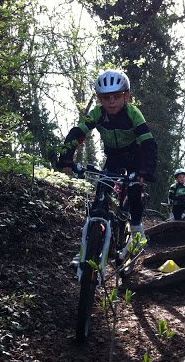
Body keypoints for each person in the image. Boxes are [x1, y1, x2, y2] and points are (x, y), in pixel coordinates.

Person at [58, 68, 157, 244]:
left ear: (126, 96)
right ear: (99, 98)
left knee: (134, 193)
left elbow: (148, 144)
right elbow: (77, 133)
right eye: (106, 97)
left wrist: (145, 171)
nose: (111, 102)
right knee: (100, 195)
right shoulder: (97, 113)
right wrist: (66, 158)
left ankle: (136, 229)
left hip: (135, 155)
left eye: (116, 96)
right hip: (113, 156)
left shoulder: (133, 113)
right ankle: (88, 246)